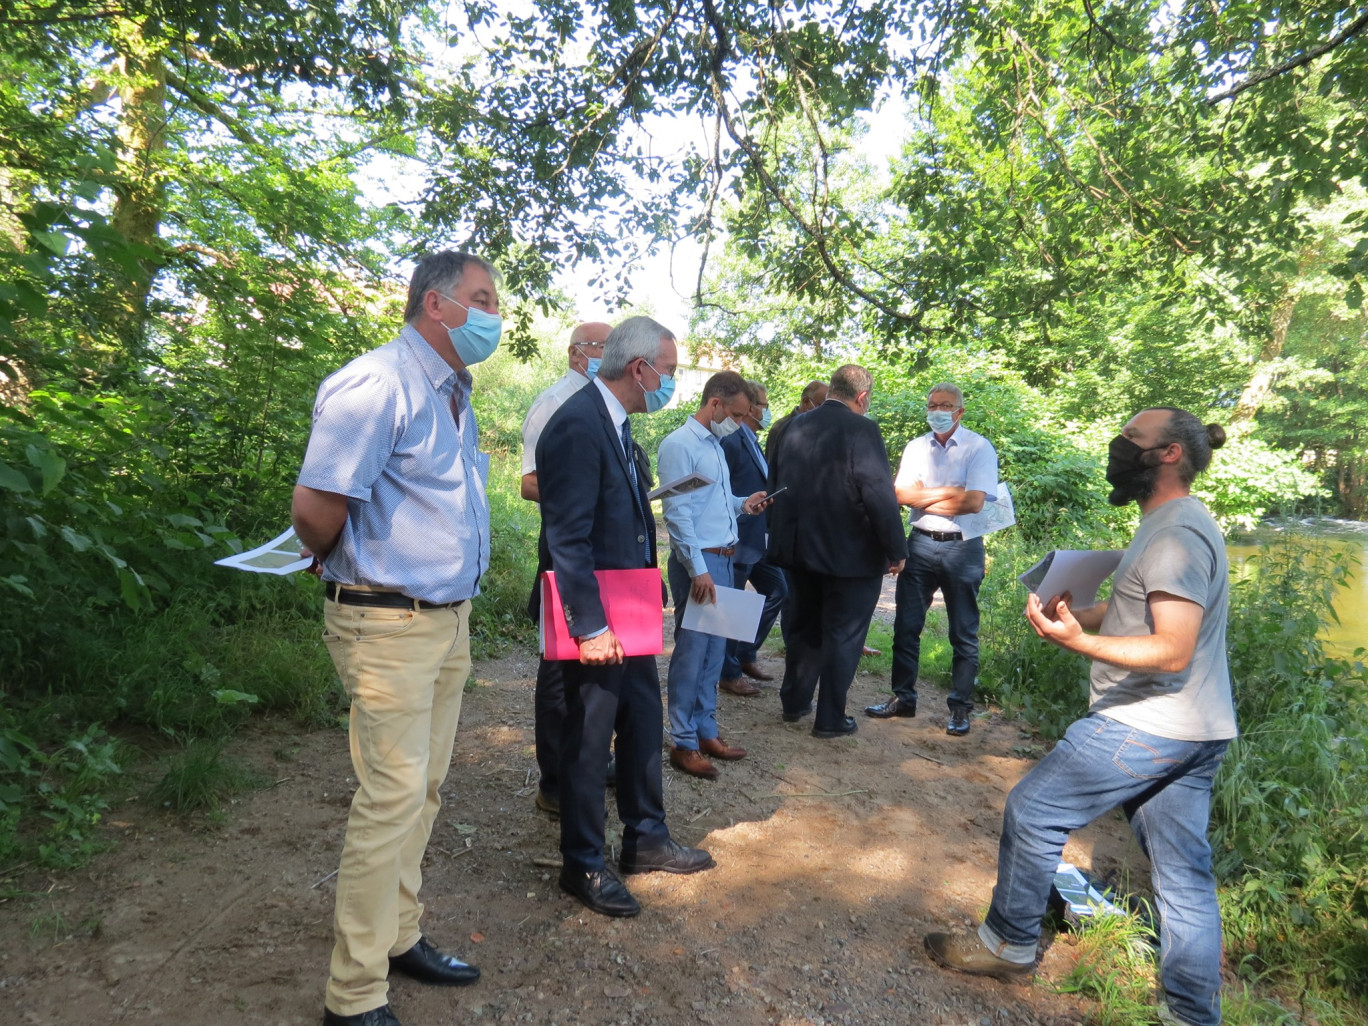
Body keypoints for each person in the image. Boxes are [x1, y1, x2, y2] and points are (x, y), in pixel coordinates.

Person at [924, 408, 1234, 1026]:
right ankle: (1192, 1014)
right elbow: (1140, 615)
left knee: (1036, 809)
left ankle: (1007, 944)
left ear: (1168, 454)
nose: (1118, 447)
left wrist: (1077, 644)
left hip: (1148, 722)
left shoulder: (1174, 536)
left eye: (1130, 440)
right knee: (1184, 873)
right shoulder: (1172, 522)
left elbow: (1172, 649)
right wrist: (1079, 616)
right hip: (1198, 727)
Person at [293, 250, 498, 1026]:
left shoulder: (454, 392)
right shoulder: (379, 381)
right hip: (386, 624)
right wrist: (328, 553)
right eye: (482, 298)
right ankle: (352, 996)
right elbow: (316, 507)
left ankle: (399, 937)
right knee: (390, 798)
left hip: (446, 622)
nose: (494, 314)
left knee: (426, 789)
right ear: (436, 305)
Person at [536, 315, 714, 918]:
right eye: (668, 369)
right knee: (590, 738)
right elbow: (568, 537)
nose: (671, 381)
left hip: (631, 610)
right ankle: (583, 862)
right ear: (639, 369)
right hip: (600, 618)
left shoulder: (617, 425)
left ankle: (647, 839)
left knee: (641, 718)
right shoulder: (577, 426)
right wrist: (589, 626)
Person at [766, 364, 906, 738]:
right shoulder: (863, 429)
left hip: (798, 551)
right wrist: (896, 548)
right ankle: (830, 718)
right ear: (862, 397)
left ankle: (794, 702)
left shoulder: (793, 425)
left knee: (803, 627)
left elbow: (775, 483)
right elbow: (878, 492)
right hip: (850, 557)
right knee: (844, 636)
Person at [519, 321, 613, 816]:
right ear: (579, 353)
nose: (612, 354)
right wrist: (585, 498)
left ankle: (586, 762)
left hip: (600, 555)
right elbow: (528, 483)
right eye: (606, 346)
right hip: (565, 550)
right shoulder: (555, 403)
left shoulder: (604, 404)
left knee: (590, 669)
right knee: (558, 666)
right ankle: (554, 780)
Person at [868, 382, 998, 736]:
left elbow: (973, 502)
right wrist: (949, 493)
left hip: (963, 546)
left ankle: (959, 708)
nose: (936, 411)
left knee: (963, 632)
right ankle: (903, 699)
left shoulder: (979, 448)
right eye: (932, 404)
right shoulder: (915, 447)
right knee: (906, 627)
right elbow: (898, 494)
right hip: (921, 545)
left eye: (944, 405)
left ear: (960, 411)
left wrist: (924, 495)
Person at [657, 371, 768, 779]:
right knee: (692, 653)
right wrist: (698, 569)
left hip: (723, 558)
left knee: (714, 653)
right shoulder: (679, 445)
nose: (740, 423)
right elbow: (678, 514)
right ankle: (683, 741)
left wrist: (743, 505)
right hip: (698, 563)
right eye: (737, 414)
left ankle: (706, 730)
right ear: (715, 403)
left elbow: (711, 503)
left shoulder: (716, 446)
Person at [718, 380, 787, 695]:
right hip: (736, 539)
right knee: (730, 606)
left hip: (757, 539)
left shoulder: (752, 439)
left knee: (777, 589)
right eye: (762, 403)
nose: (766, 409)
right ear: (748, 408)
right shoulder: (731, 440)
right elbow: (720, 489)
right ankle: (729, 672)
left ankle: (745, 654)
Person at [764, 378, 827, 463]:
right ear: (806, 401)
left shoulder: (823, 428)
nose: (825, 410)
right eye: (821, 405)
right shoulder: (781, 428)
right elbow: (771, 465)